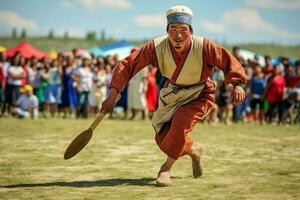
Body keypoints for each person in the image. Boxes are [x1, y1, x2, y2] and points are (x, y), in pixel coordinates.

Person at [101, 5, 247, 187]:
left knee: (179, 124)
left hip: (199, 94)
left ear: (190, 31)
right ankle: (194, 151)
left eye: (183, 30)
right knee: (163, 137)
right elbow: (129, 65)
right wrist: (112, 94)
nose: (178, 35)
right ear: (167, 30)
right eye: (173, 29)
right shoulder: (156, 47)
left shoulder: (204, 46)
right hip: (172, 94)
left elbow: (227, 61)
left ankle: (165, 168)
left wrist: (237, 85)